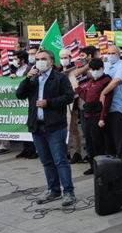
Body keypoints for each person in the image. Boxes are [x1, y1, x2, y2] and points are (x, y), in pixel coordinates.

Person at [15, 50, 77, 206]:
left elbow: (69, 96)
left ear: (51, 61)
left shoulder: (60, 77)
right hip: (37, 126)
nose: (40, 61)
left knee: (60, 160)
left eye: (43, 59)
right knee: (46, 161)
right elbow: (20, 94)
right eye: (37, 59)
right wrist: (28, 79)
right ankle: (53, 190)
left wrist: (48, 102)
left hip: (55, 126)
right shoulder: (33, 78)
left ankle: (68, 192)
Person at [72, 58, 111, 175]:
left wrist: (102, 118)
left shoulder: (106, 80)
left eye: (96, 69)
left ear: (102, 69)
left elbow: (107, 101)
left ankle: (101, 167)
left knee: (98, 142)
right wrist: (77, 87)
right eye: (92, 69)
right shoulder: (91, 81)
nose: (94, 71)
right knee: (89, 142)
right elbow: (85, 96)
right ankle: (93, 166)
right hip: (88, 114)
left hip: (98, 116)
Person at [99, 46, 122, 158]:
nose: (110, 55)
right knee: (108, 136)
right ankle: (111, 162)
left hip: (117, 105)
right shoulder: (106, 65)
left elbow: (116, 81)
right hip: (104, 106)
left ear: (118, 54)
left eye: (113, 53)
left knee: (117, 135)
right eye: (108, 53)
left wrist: (103, 92)